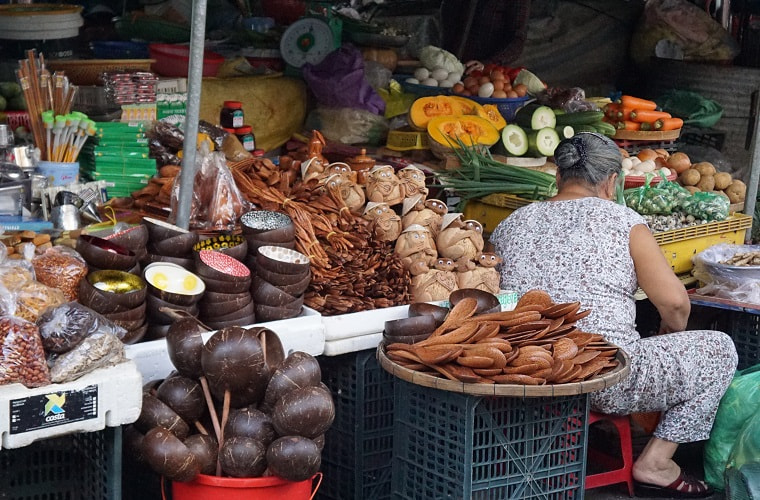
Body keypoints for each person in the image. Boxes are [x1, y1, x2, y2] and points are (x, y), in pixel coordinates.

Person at [489, 132, 737, 498]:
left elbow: (500, 298)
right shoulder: (625, 222)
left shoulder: (512, 224)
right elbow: (676, 304)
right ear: (611, 182)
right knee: (719, 350)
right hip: (606, 377)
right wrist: (668, 334)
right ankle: (657, 463)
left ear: (558, 177)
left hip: (528, 370)